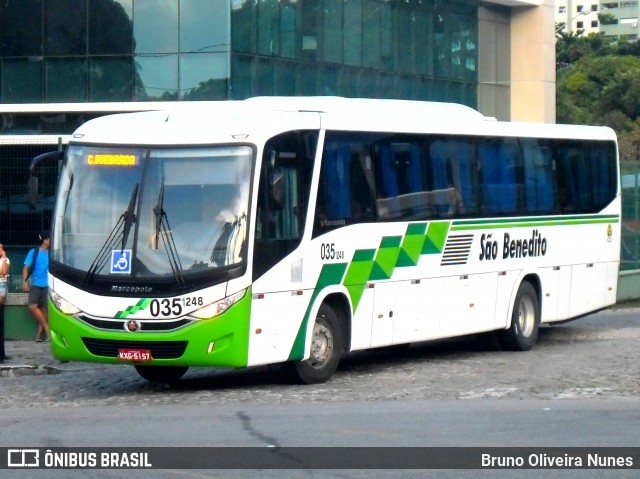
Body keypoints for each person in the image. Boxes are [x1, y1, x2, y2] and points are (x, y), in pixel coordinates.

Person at [22, 232, 50, 342]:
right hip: (36, 284)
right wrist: (25, 282)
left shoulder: (52, 253)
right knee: (32, 306)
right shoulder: (34, 252)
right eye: (49, 239)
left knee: (44, 310)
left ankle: (39, 335)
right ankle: (47, 329)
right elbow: (26, 268)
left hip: (48, 284)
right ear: (45, 240)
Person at [0, 243, 10, 363]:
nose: (1, 250)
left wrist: (3, 258)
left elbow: (3, 272)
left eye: (2, 247)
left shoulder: (6, 260)